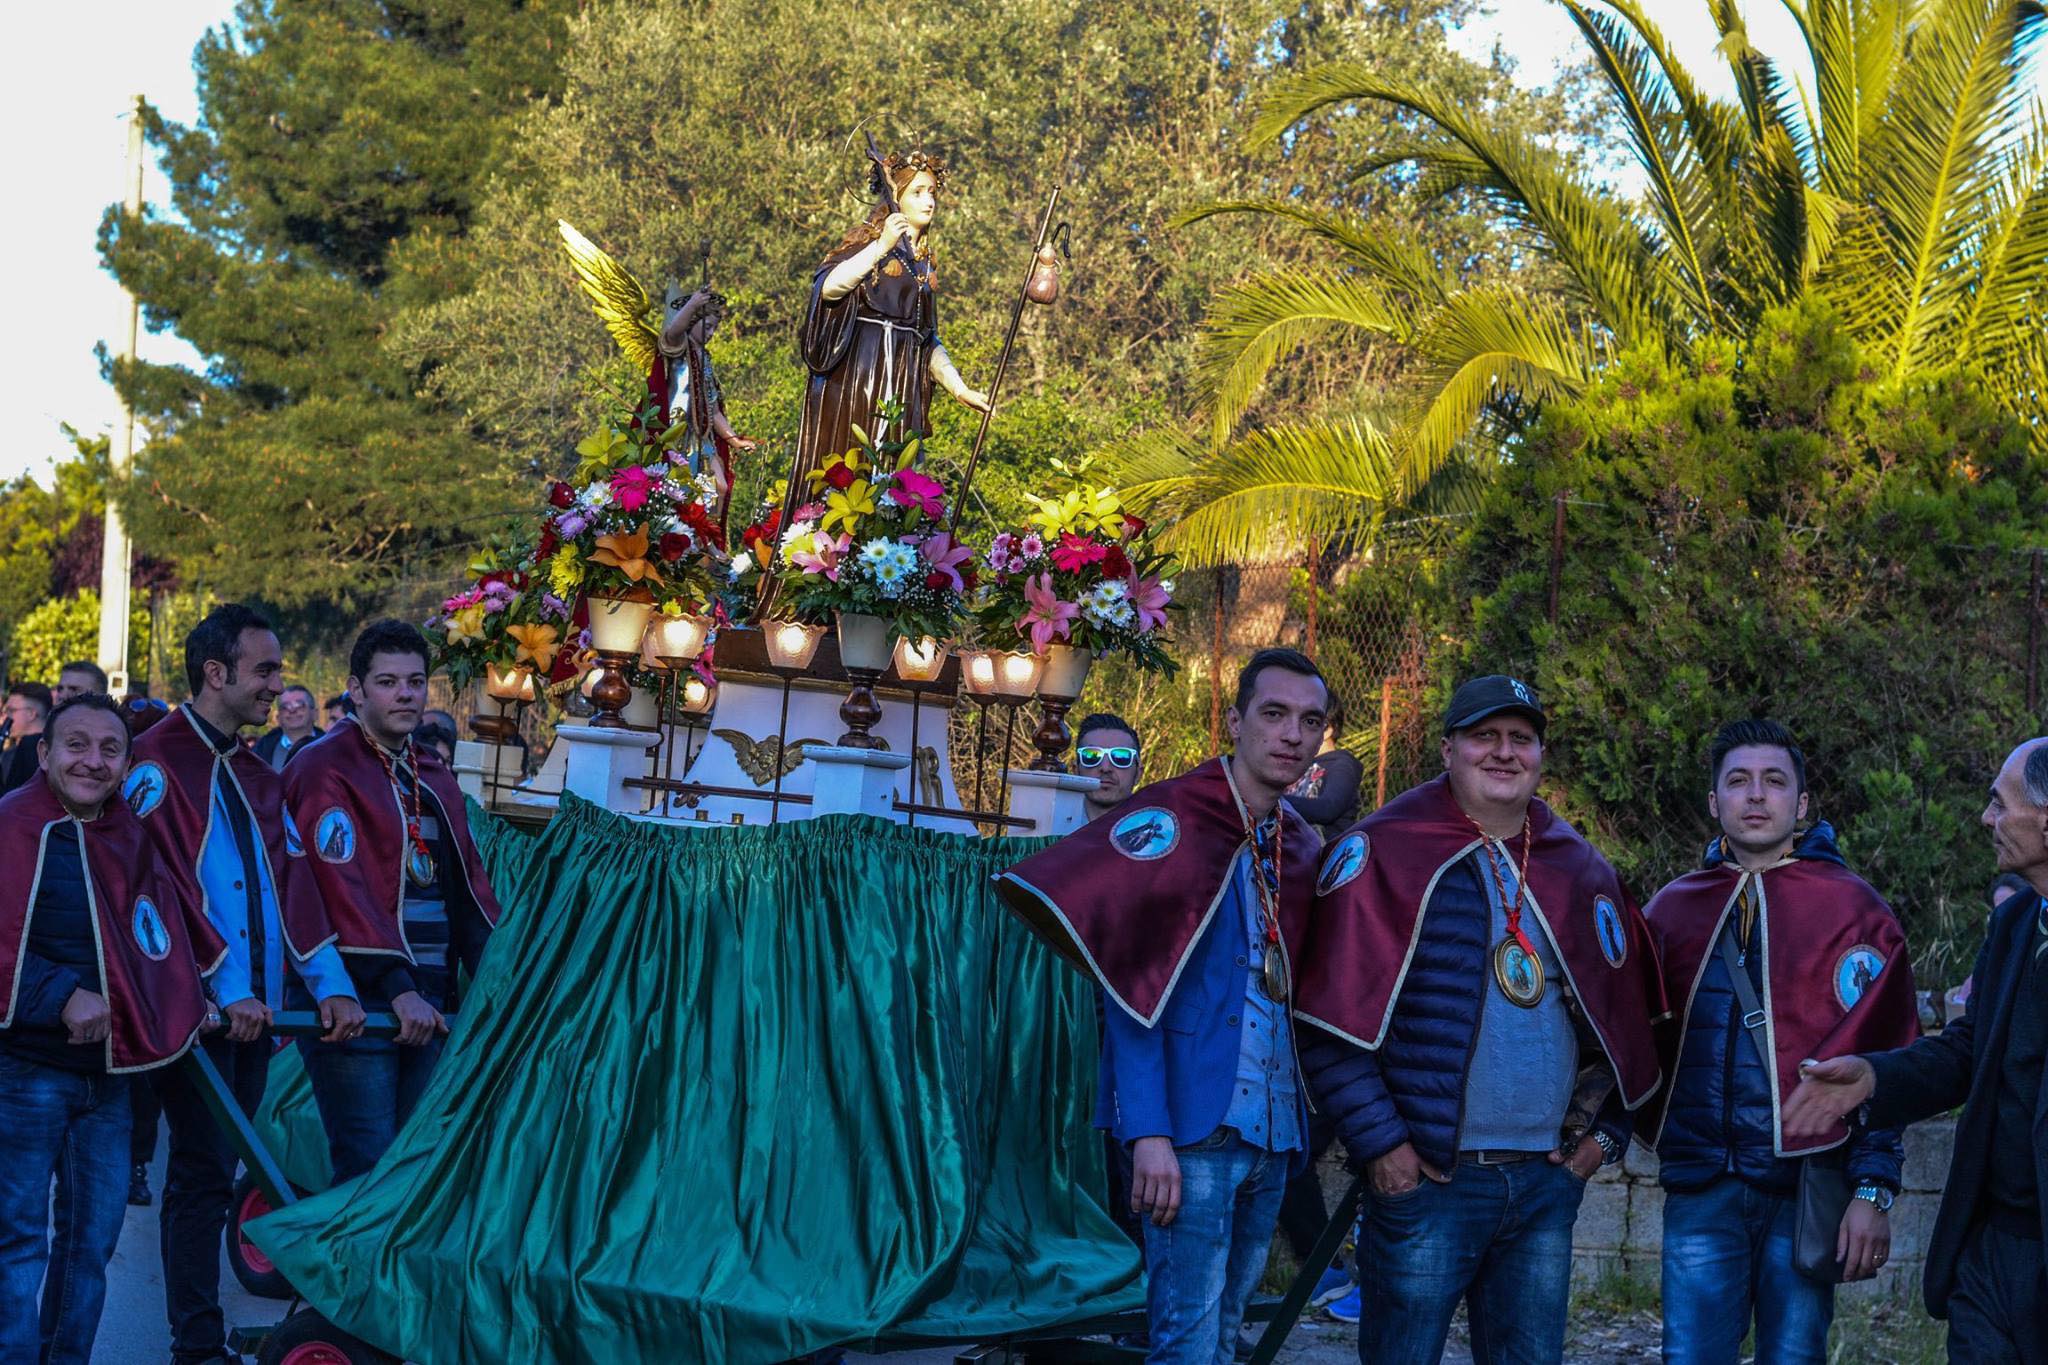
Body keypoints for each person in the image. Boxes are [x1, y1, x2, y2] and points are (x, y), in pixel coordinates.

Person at [1293, 674, 1665, 1365]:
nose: (1503, 752)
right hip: (1430, 1181)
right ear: (1447, 749)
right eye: (1483, 736)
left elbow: (1621, 1020)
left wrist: (1602, 1141)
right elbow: (1325, 1020)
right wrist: (1383, 1148)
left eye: (1520, 738)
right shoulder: (1385, 851)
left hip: (1545, 1182)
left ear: (1540, 756)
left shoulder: (1577, 866)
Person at [998, 648, 1327, 1363]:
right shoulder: (1175, 816)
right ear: (1236, 721)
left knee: (1223, 1336)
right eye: (1274, 714)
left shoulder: (1297, 843)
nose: (1292, 735)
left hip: (1270, 1132)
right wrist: (1145, 1130)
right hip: (1191, 1134)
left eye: (1310, 721)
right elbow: (1130, 984)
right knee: (1181, 1341)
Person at [127, 604, 365, 1365]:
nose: (278, 685)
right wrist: (219, 988)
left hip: (262, 1011)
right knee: (199, 1174)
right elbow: (153, 892)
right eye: (264, 670)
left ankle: (205, 1336)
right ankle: (194, 1344)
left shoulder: (259, 771)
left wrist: (330, 984)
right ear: (216, 672)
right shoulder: (155, 761)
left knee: (218, 1171)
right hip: (204, 1015)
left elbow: (295, 886)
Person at [1641, 719, 1917, 1364]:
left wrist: (1873, 1189)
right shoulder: (1673, 910)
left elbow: (1890, 1060)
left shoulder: (1854, 911)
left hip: (1807, 1186)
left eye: (1774, 781)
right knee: (1690, 1356)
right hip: (1701, 1185)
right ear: (1715, 803)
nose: (1756, 796)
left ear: (1802, 803)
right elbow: (1631, 1043)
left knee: (1793, 1357)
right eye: (1738, 782)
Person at [1784, 736, 2048, 1362]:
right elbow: (1967, 1051)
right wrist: (1874, 1079)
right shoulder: (2013, 925)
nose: (1987, 819)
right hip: (1990, 1253)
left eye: (1998, 804)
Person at [0, 694, 219, 1365]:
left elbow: (158, 935)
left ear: (127, 761)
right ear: (44, 753)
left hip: (109, 1078)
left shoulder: (128, 834)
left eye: (109, 748)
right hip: (24, 1071)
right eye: (76, 744)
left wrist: (188, 994)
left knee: (91, 1243)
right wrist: (59, 992)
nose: (92, 760)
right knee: (18, 1241)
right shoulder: (10, 826)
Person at [285, 620, 502, 1182]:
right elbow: (337, 890)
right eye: (387, 682)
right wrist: (396, 989)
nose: (405, 694)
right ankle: (335, 1273)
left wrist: (499, 981)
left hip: (429, 1000)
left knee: (409, 1176)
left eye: (415, 681)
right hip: (362, 1000)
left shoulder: (430, 769)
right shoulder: (322, 766)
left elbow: (469, 888)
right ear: (355, 690)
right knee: (366, 1168)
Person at [788, 148, 989, 511]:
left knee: (897, 479)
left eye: (932, 192)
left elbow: (926, 338)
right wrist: (881, 247)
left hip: (902, 382)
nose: (929, 201)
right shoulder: (870, 245)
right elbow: (829, 288)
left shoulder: (922, 263)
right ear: (894, 198)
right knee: (855, 469)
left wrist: (959, 388)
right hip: (859, 380)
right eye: (917, 192)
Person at [657, 285, 756, 522]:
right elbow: (672, 333)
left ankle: (707, 542)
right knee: (685, 493)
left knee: (719, 487)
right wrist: (692, 304)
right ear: (692, 322)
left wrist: (734, 440)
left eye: (714, 328)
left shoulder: (705, 359)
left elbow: (713, 409)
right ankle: (691, 545)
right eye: (707, 326)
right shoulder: (680, 348)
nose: (711, 333)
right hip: (678, 435)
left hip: (703, 435)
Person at [1284, 692, 1364, 844]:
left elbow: (1328, 808)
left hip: (1326, 854)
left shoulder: (1342, 764)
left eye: (1309, 723)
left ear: (1327, 731)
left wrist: (1275, 801)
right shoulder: (1299, 762)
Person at [1074, 712, 1145, 822]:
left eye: (1121, 757)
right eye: (1092, 756)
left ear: (1138, 773)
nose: (1105, 768)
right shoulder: (1050, 829)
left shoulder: (1156, 832)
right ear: (1076, 770)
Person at [0, 682, 52, 795]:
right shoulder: (11, 752)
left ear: (31, 714)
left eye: (11, 711)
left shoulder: (46, 753)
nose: (5, 717)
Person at [253, 684, 322, 770]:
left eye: (299, 705)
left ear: (315, 714)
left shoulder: (331, 748)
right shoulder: (260, 752)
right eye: (285, 707)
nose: (292, 710)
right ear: (278, 717)